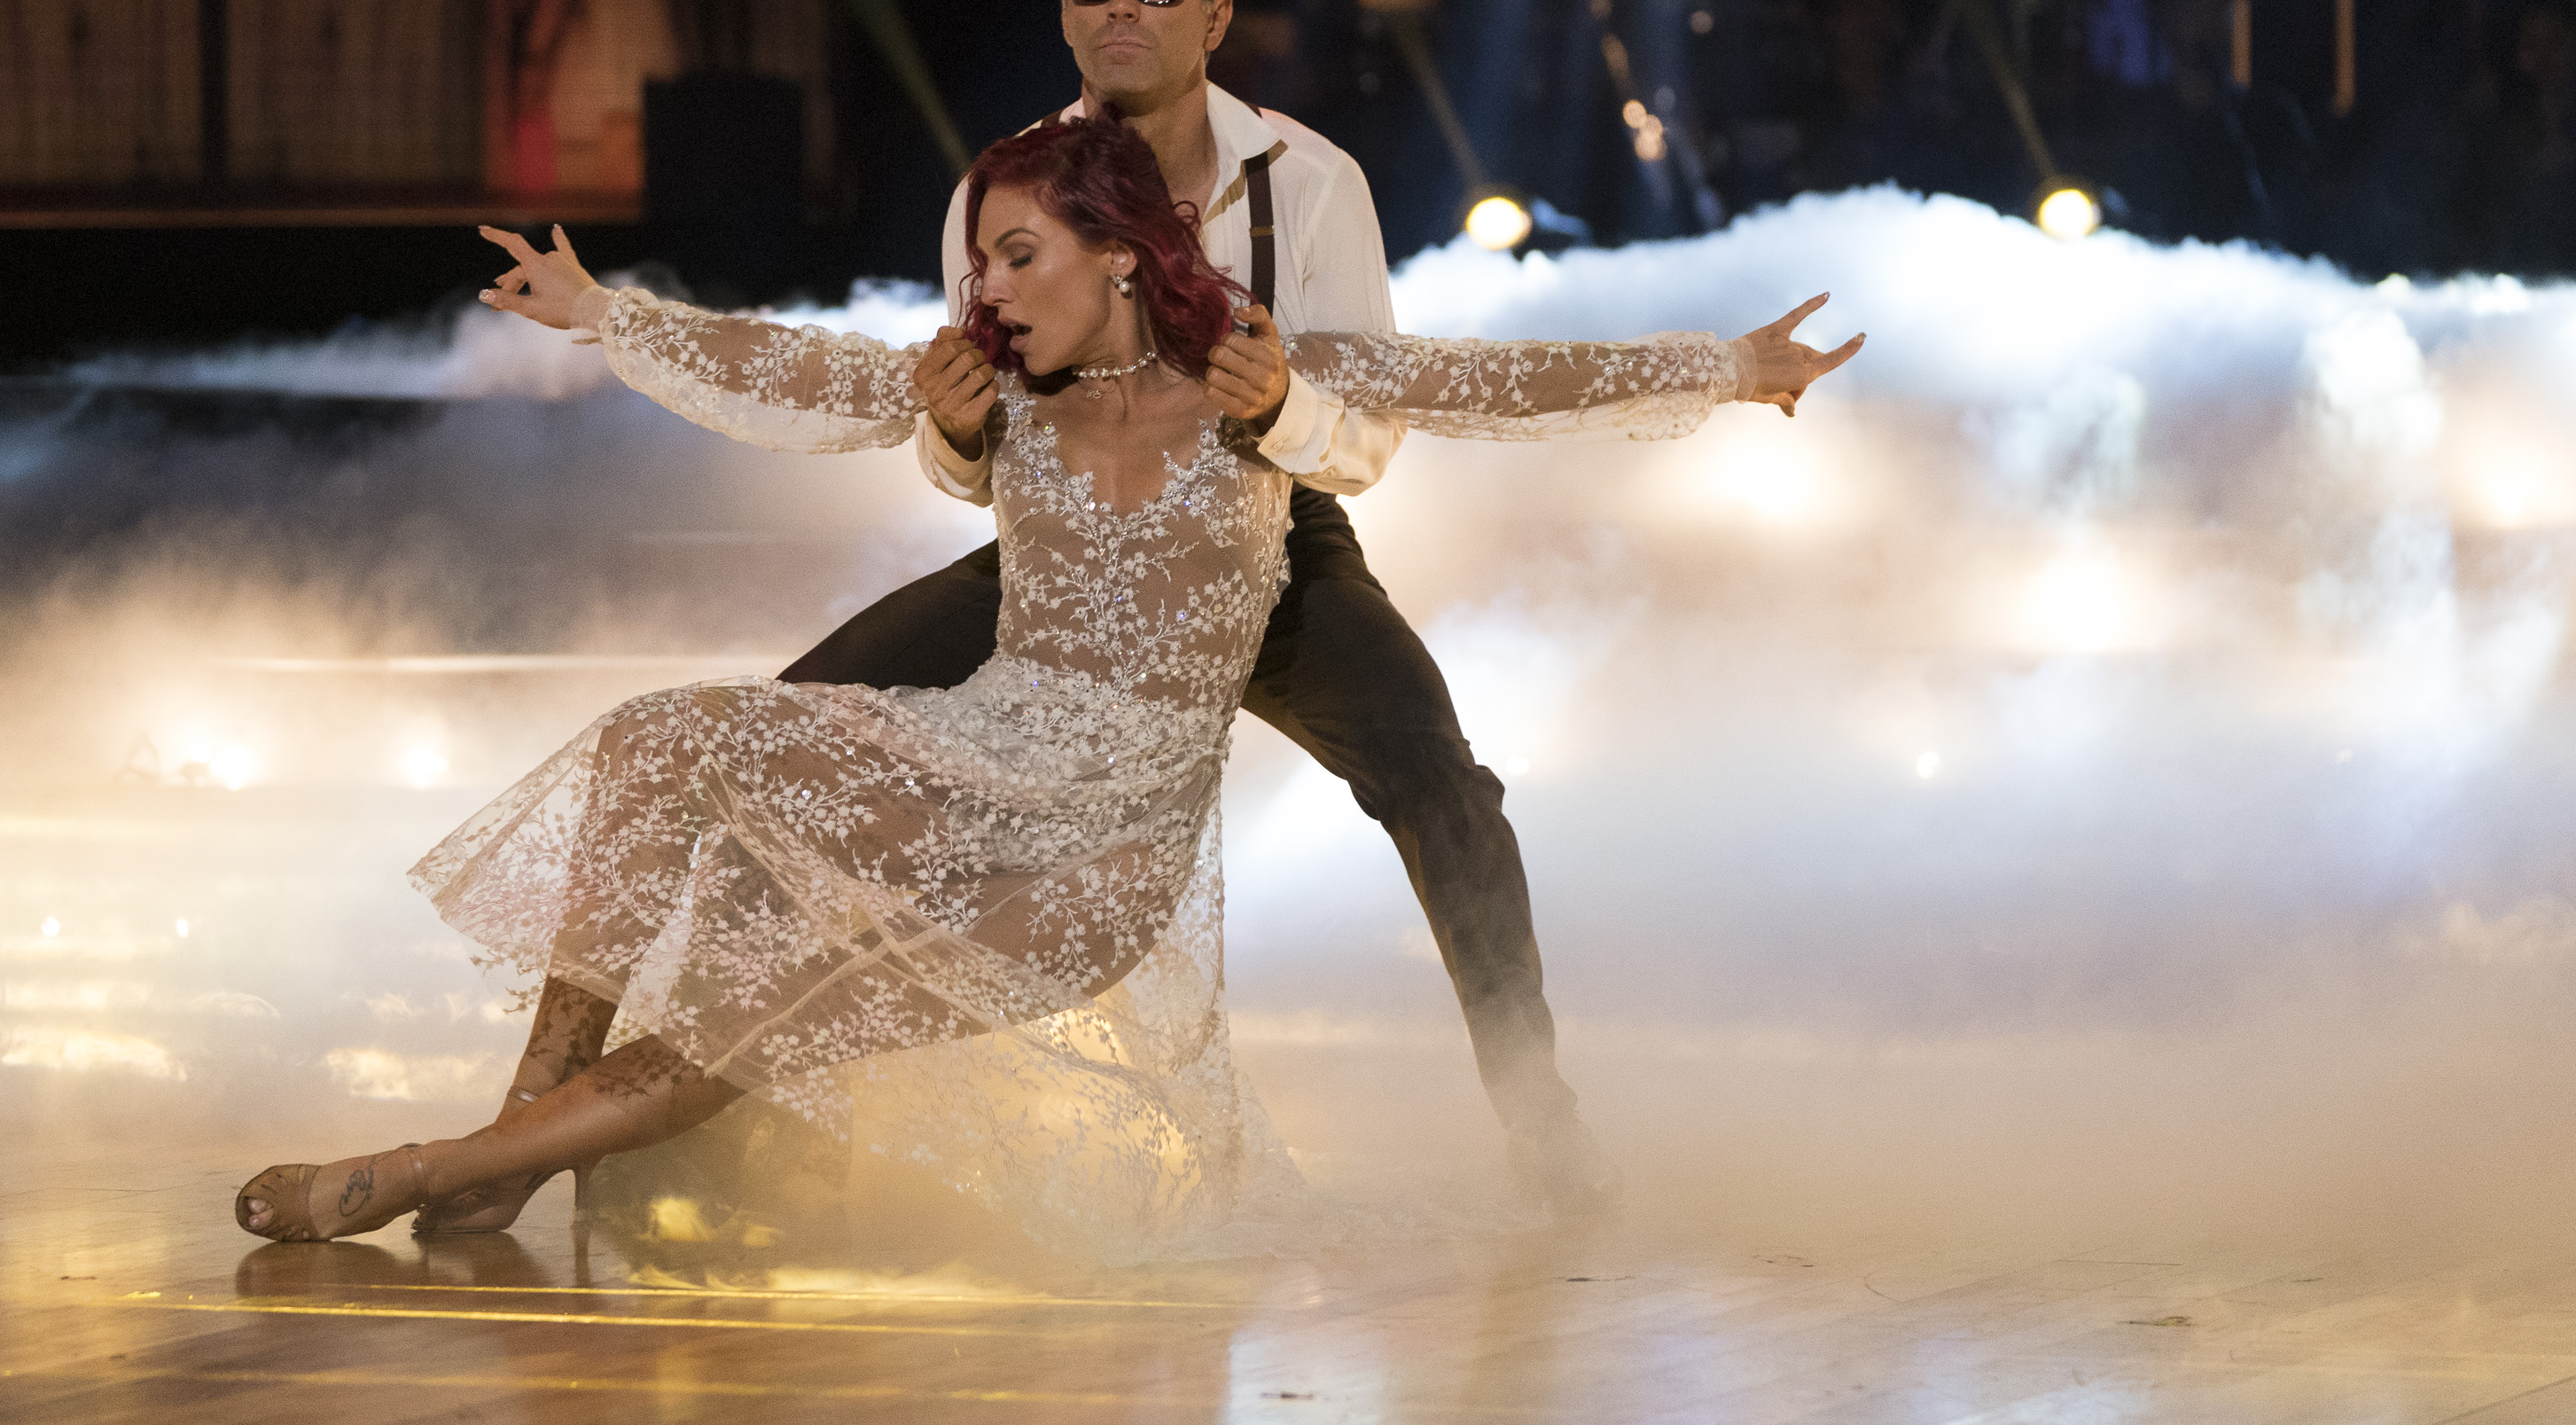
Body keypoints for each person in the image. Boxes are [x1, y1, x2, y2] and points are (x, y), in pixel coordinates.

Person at [231, 112, 1861, 1255]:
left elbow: (1494, 382)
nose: (985, 290)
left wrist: (1734, 368)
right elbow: (791, 366)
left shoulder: (1254, 372)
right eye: (981, 262)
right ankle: (517, 1133)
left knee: (764, 1018)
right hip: (974, 755)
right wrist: (598, 313)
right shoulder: (999, 395)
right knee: (666, 742)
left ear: (1122, 257)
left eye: (1015, 256)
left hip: (1101, 849)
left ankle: (414, 1171)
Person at [787, 0, 1633, 1211]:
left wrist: (1290, 407)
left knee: (1438, 783)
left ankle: (1541, 1119)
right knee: (801, 728)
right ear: (1066, 5)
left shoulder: (1310, 184)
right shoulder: (998, 190)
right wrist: (948, 435)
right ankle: (777, 1105)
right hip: (1072, 566)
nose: (1123, 5)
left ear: (1215, 13)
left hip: (1276, 547)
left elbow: (1373, 437)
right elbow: (973, 457)